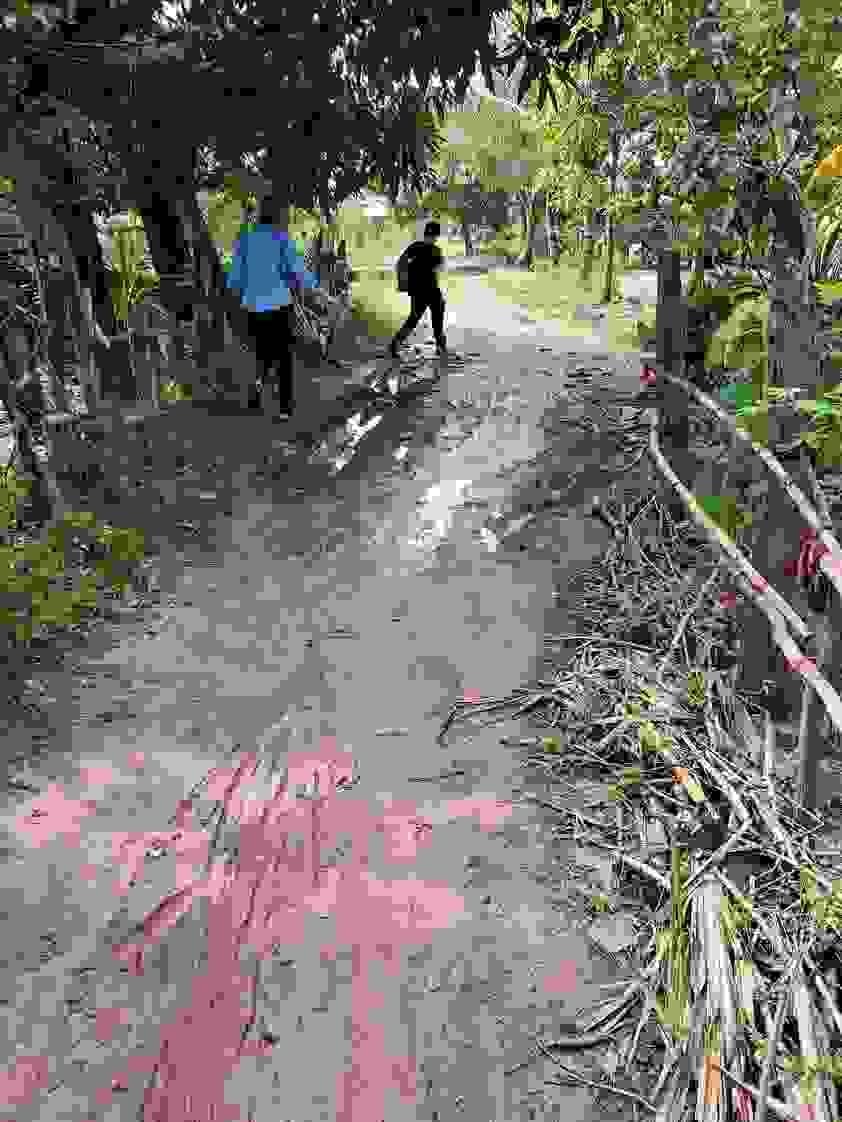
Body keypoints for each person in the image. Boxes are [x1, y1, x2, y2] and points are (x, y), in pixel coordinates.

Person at [225, 196, 318, 418]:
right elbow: (296, 270)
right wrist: (314, 286)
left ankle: (256, 393)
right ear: (278, 216)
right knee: (283, 356)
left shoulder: (245, 240)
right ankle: (285, 408)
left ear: (258, 215)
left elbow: (235, 277)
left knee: (260, 353)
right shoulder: (281, 238)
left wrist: (236, 295)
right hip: (279, 306)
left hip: (253, 308)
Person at [389, 220, 447, 359]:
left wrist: (405, 281)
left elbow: (401, 263)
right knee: (429, 317)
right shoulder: (432, 250)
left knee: (420, 318)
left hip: (423, 290)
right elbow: (439, 268)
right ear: (434, 235)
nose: (435, 238)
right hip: (426, 290)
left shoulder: (417, 247)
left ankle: (396, 343)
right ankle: (440, 346)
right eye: (435, 236)